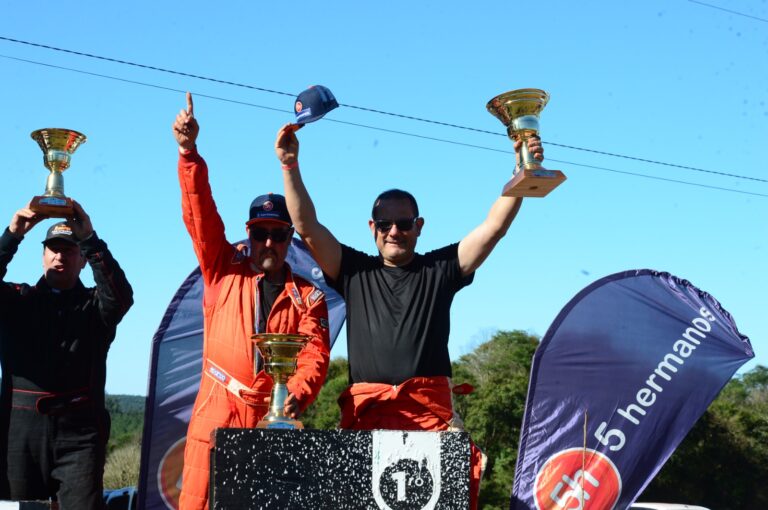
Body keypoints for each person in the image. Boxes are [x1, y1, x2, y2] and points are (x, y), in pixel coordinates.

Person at [275, 123, 543, 509]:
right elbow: (306, 226)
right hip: (366, 421)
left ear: (419, 226)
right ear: (372, 228)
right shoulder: (353, 271)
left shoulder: (441, 268)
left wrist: (523, 166)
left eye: (404, 223)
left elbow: (494, 227)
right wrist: (290, 165)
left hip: (430, 423)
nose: (394, 231)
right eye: (385, 224)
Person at [172, 93, 331, 510]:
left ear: (289, 239)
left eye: (278, 235)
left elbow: (315, 355)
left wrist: (293, 395)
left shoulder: (309, 296)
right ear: (248, 233)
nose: (268, 243)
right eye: (260, 232)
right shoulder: (221, 268)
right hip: (216, 416)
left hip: (271, 420)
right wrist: (189, 154)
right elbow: (200, 214)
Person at [0, 201, 134, 509]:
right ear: (43, 255)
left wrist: (90, 240)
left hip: (80, 436)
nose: (61, 255)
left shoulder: (95, 307)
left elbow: (122, 297)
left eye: (70, 249)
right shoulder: (17, 301)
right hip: (19, 435)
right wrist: (12, 235)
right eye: (54, 249)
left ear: (83, 259)